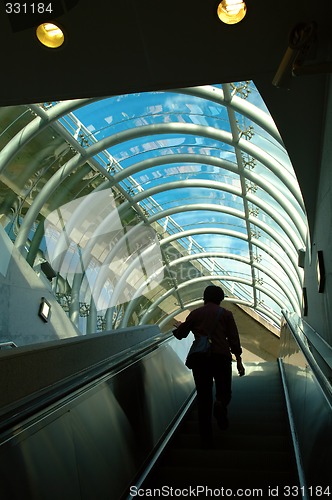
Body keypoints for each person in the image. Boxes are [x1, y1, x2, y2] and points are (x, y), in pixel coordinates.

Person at [173, 285, 245, 448]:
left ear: (204, 298)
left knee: (204, 395)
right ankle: (220, 404)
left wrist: (179, 326)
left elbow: (181, 334)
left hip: (201, 358)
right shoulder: (226, 314)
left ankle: (206, 437)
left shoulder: (196, 314)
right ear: (221, 299)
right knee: (224, 390)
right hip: (221, 356)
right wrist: (239, 360)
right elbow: (234, 339)